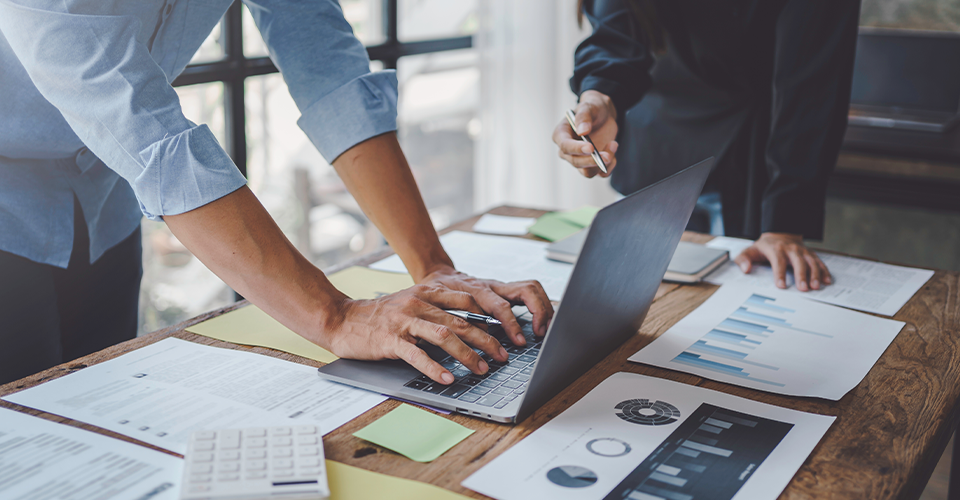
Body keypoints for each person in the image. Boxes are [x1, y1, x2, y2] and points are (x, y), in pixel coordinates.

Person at [0, 0, 552, 386]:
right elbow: (150, 134)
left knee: (99, 403)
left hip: (102, 191)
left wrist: (432, 267)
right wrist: (335, 317)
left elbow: (330, 70)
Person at [553, 0, 861, 292]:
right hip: (651, 156)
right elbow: (617, 35)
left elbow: (811, 80)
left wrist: (785, 222)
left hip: (746, 158)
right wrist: (598, 95)